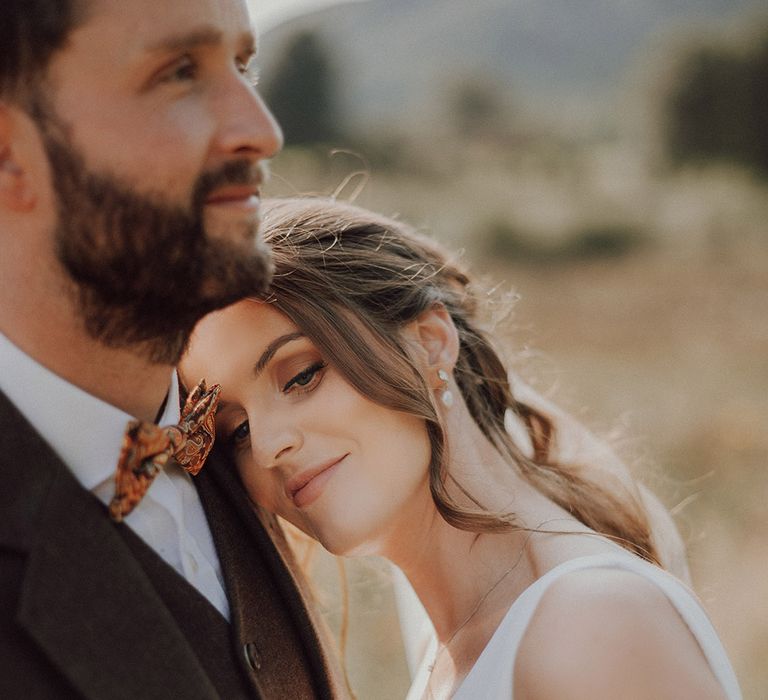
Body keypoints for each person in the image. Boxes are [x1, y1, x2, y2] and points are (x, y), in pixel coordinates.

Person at [181, 197, 742, 700]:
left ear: (431, 342)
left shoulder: (592, 626)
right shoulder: (451, 651)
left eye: (301, 375)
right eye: (239, 432)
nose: (271, 446)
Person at [0, 3, 344, 698]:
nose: (262, 131)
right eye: (180, 72)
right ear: (9, 153)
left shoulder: (254, 441)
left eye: (244, 65)